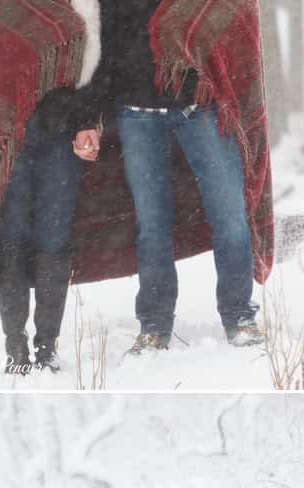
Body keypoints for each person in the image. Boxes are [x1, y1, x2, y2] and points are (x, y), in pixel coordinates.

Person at [73, 0, 273, 351]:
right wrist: (88, 118)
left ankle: (240, 315)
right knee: (151, 224)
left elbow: (228, 19)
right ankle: (154, 325)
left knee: (229, 214)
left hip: (202, 106)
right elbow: (108, 49)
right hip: (137, 115)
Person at [0, 0, 108, 374]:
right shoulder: (11, 6)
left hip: (61, 140)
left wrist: (87, 121)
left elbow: (92, 72)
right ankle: (15, 346)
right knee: (11, 240)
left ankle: (47, 345)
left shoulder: (87, 5)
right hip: (13, 140)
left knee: (54, 240)